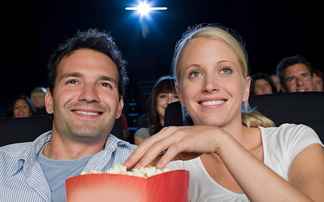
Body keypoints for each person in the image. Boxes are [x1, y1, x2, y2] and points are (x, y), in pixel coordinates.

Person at [126, 25, 324, 201]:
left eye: (225, 70)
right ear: (180, 94)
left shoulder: (294, 140)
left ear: (245, 88)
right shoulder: (166, 165)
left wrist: (221, 143)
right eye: (194, 74)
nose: (210, 85)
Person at [0, 29, 135, 201]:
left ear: (119, 107)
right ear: (49, 101)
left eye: (104, 84)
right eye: (73, 81)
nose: (89, 95)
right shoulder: (2, 164)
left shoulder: (154, 166)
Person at [134, 75, 179, 145]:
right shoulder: (143, 135)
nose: (169, 101)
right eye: (163, 96)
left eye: (176, 97)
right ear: (154, 101)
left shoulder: (193, 131)